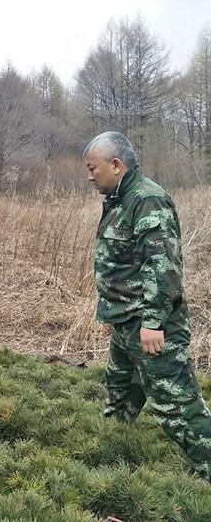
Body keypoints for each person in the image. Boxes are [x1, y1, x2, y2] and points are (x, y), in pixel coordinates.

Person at [84, 131, 211, 482]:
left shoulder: (147, 200)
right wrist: (111, 312)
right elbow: (121, 265)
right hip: (126, 323)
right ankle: (111, 458)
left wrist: (153, 322)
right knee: (120, 394)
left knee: (177, 408)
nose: (89, 176)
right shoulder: (119, 200)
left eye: (93, 168)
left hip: (151, 327)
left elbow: (163, 268)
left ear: (116, 164)